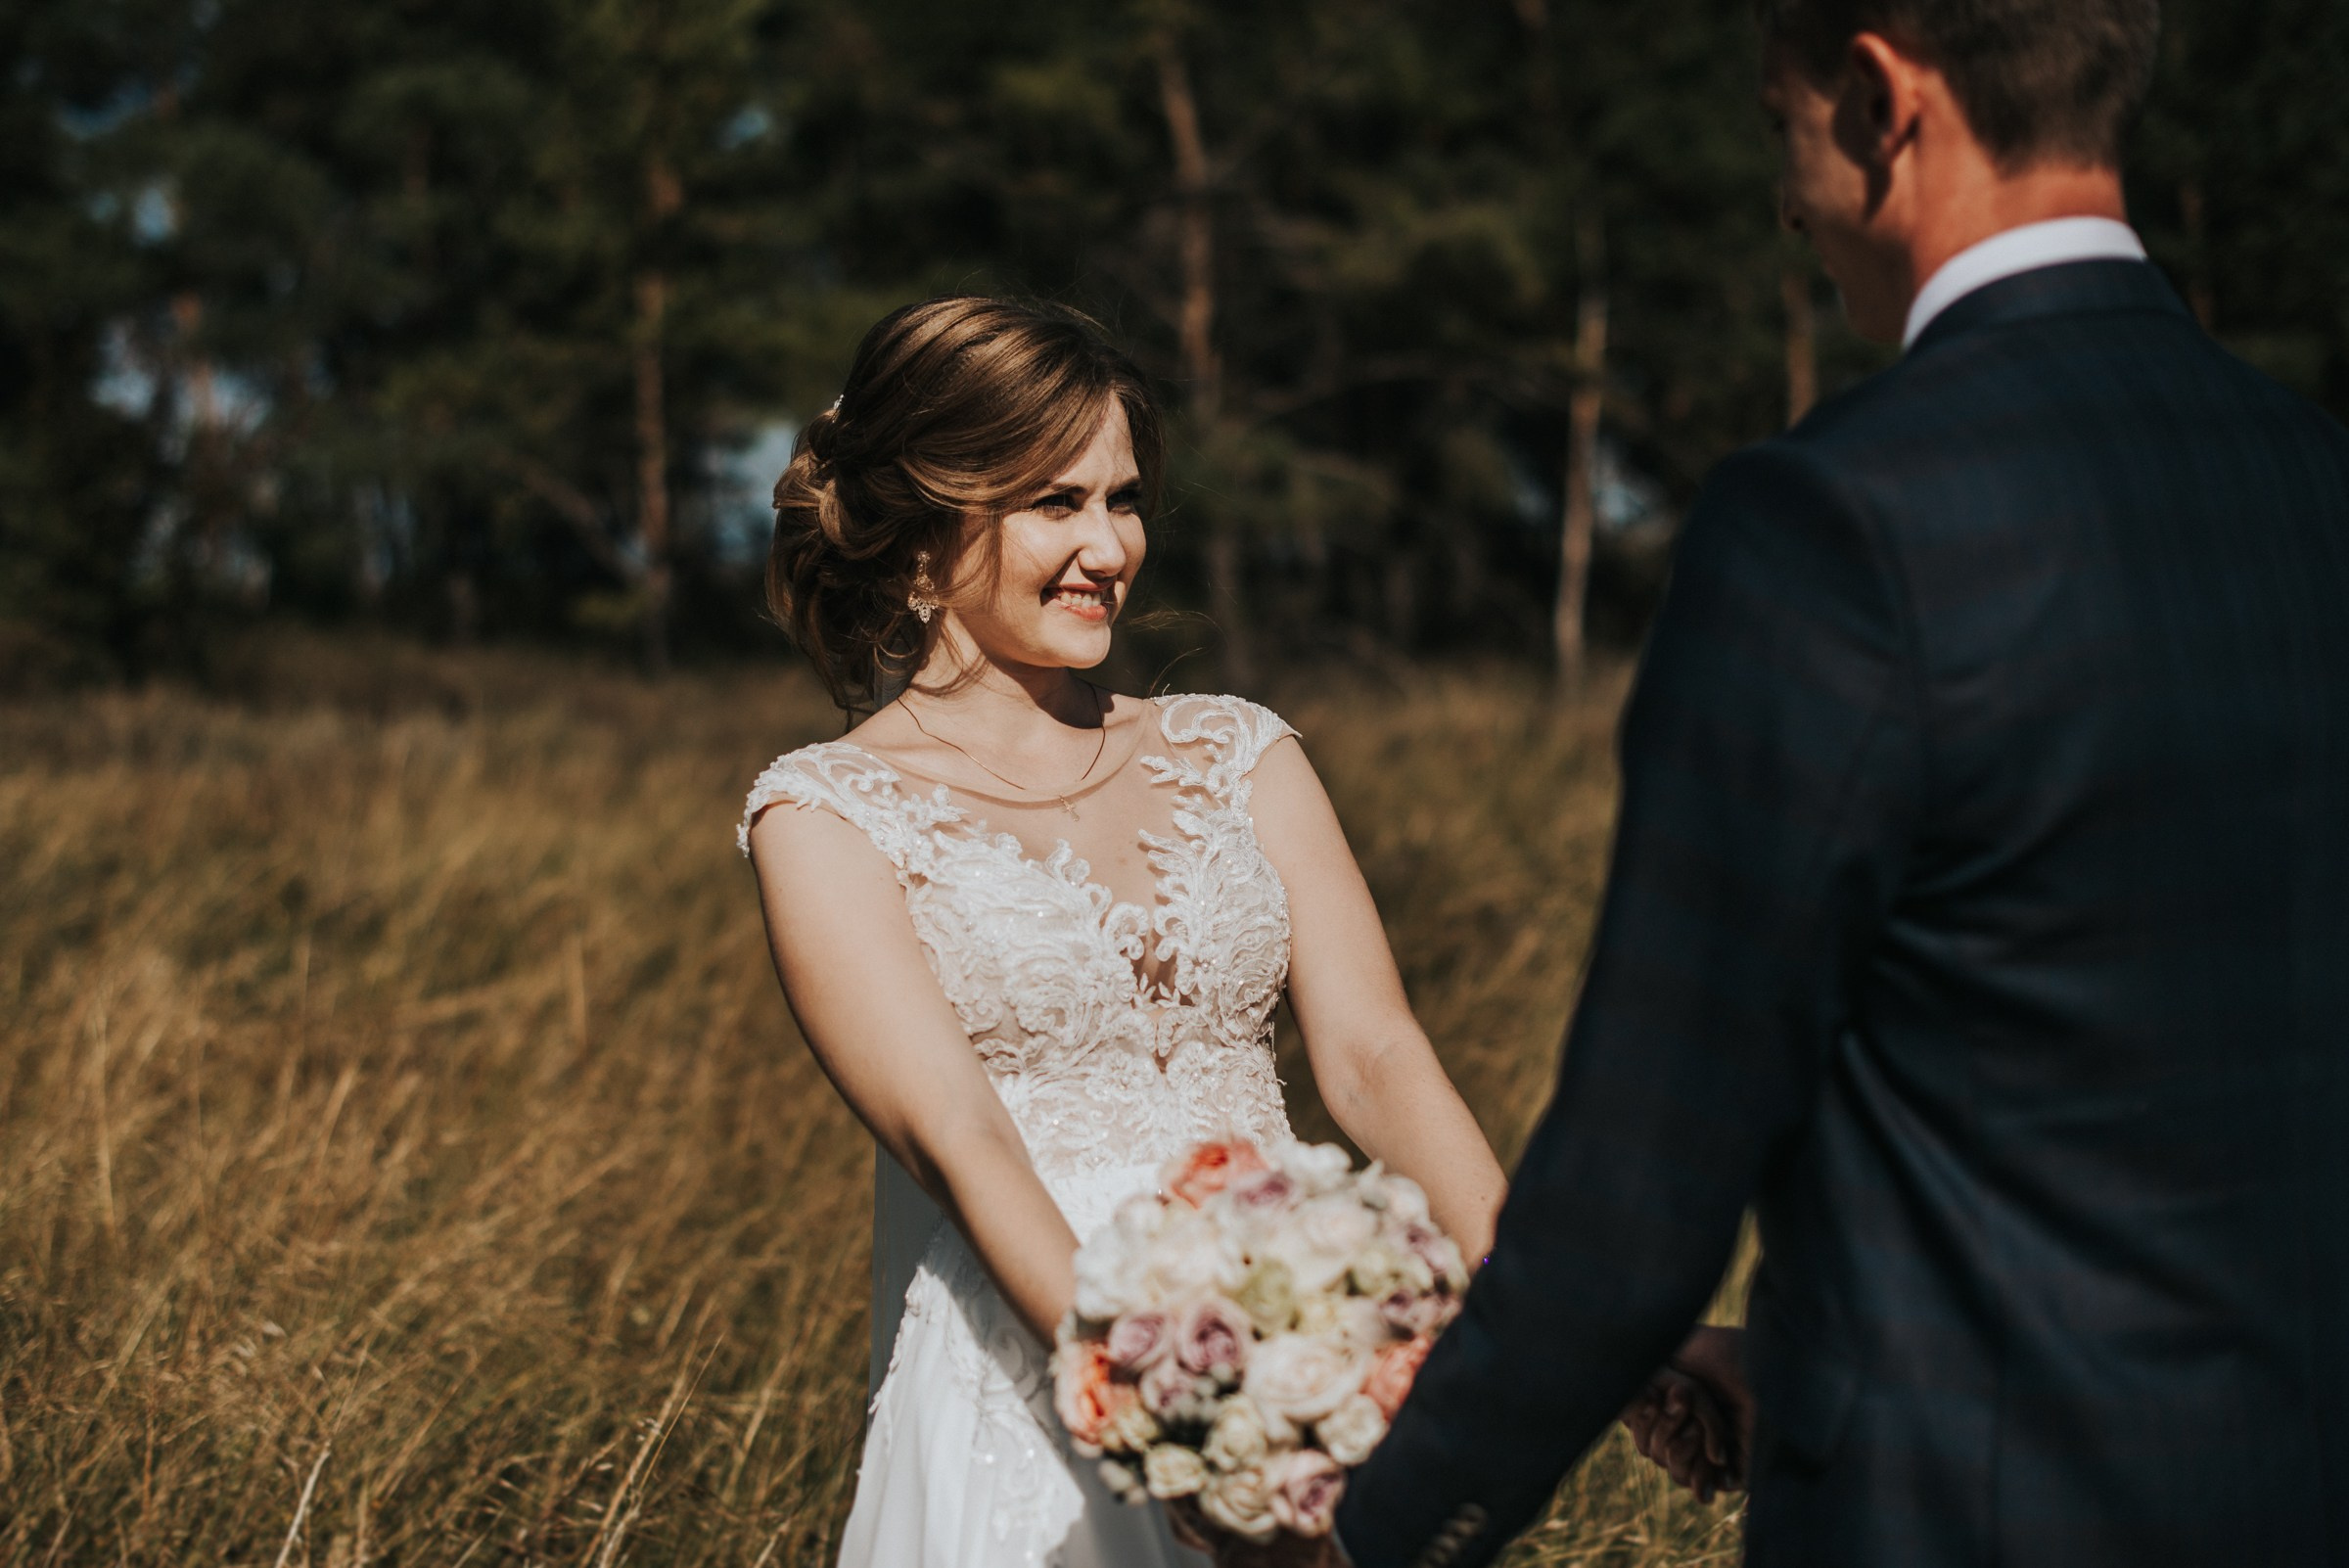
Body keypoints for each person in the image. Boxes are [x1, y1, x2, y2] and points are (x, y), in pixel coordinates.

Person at [1325, 1, 2349, 1565]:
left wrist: (1375, 1533)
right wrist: (1811, 1364)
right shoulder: (2312, 479)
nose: (1786, 204)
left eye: (1779, 129)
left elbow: (1639, 1183)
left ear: (1882, 97)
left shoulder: (1833, 525)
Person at [739, 296, 1510, 1567]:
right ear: (926, 528)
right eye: (1057, 502)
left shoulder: (1238, 751)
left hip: (1294, 1352)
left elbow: (1377, 1056)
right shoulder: (826, 818)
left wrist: (1552, 1316)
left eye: (1126, 499)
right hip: (1039, 1395)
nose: (1110, 546)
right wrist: (1172, 1423)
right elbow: (963, 1140)